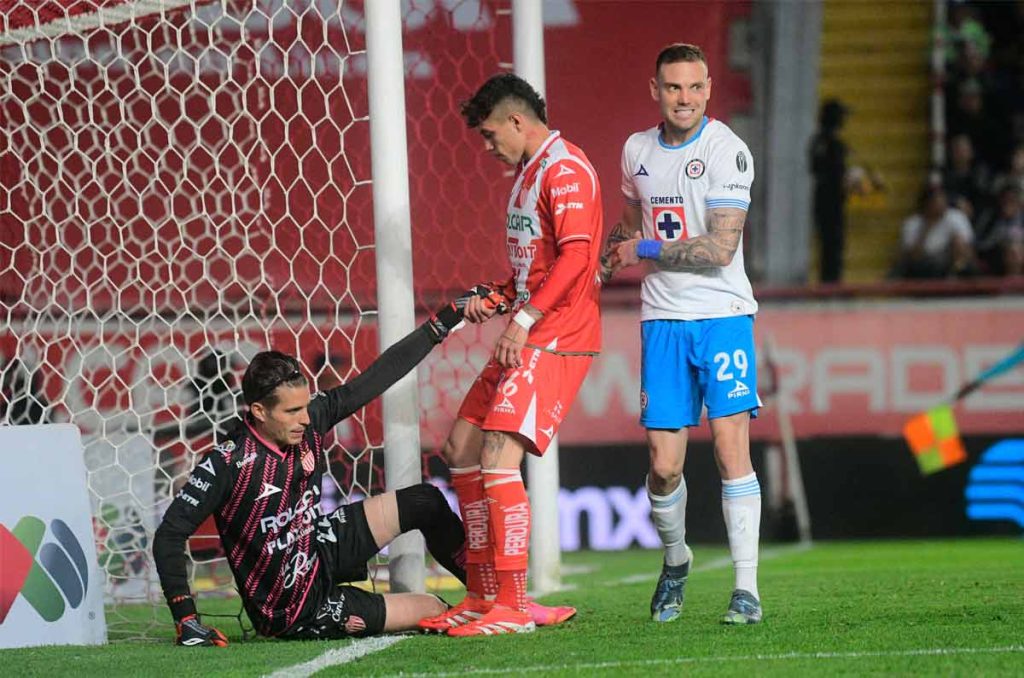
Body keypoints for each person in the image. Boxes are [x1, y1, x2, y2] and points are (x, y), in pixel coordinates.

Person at [152, 291, 487, 646]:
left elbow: (377, 377)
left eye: (305, 405)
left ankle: (488, 595)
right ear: (259, 412)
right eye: (292, 411)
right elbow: (168, 535)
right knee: (434, 607)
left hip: (318, 546)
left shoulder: (312, 418)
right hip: (293, 607)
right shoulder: (227, 462)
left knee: (425, 501)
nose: (305, 418)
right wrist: (187, 620)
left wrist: (445, 321)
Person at [416, 73, 603, 637]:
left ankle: (514, 604)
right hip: (530, 325)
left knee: (498, 455)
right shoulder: (529, 173)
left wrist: (521, 319)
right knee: (462, 447)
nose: (488, 145)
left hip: (558, 333)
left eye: (490, 133)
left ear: (518, 121)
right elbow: (535, 271)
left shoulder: (565, 169)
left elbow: (577, 259)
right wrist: (499, 297)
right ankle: (482, 594)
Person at [605, 43, 763, 625]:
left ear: (709, 89)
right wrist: (607, 257)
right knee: (663, 465)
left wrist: (643, 248)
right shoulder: (636, 151)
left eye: (695, 87)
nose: (685, 98)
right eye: (674, 87)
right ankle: (676, 561)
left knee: (729, 448)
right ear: (656, 90)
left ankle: (746, 588)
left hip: (723, 314)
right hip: (663, 320)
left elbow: (720, 249)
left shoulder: (727, 150)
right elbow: (629, 224)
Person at [894, 185, 977, 279]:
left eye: (943, 200)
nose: (942, 204)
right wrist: (926, 228)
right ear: (927, 204)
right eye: (937, 201)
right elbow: (913, 257)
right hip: (924, 265)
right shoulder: (912, 223)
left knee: (967, 264)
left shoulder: (956, 217)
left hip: (949, 261)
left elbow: (968, 248)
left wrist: (958, 253)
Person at [809, 99, 850, 283]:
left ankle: (828, 283)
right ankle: (831, 284)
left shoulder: (817, 142)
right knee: (833, 246)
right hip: (832, 201)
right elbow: (836, 174)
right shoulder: (833, 144)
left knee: (827, 245)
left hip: (822, 198)